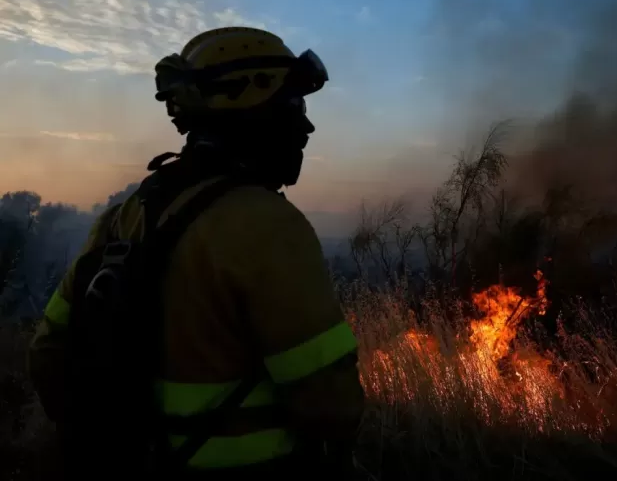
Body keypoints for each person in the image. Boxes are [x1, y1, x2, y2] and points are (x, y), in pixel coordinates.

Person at [28, 27, 366, 478]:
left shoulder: (125, 215)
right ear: (252, 111)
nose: (306, 126)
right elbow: (333, 407)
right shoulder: (269, 226)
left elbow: (47, 352)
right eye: (294, 107)